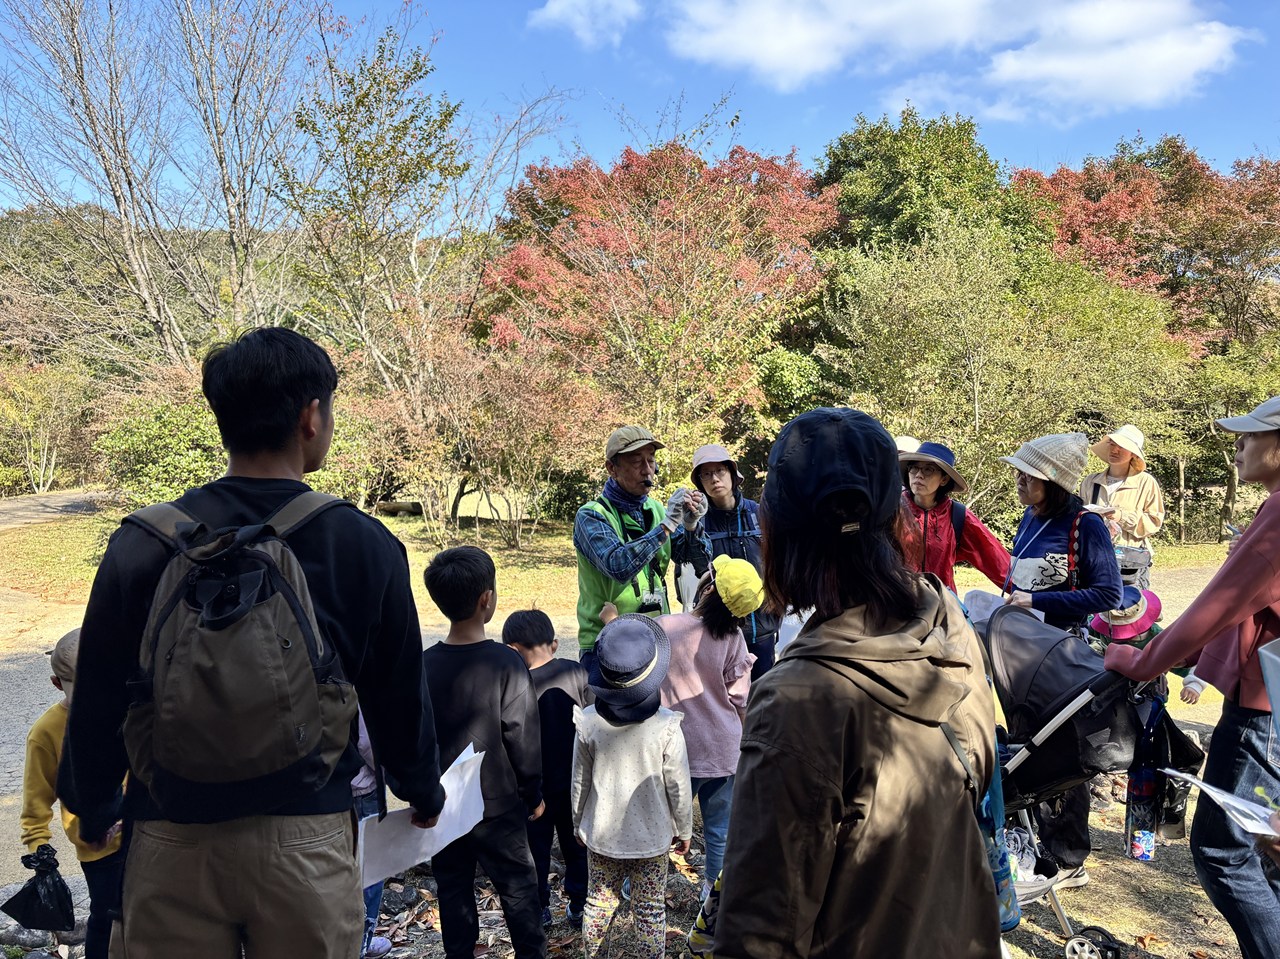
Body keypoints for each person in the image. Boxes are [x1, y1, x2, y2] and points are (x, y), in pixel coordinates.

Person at [61, 328, 446, 959]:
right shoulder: (361, 543)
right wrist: (423, 790)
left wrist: (94, 800)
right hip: (309, 835)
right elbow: (400, 696)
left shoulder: (144, 541)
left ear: (223, 418)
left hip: (169, 833)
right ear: (310, 417)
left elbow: (99, 689)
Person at [713, 407, 1000, 959]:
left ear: (776, 531)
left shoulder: (795, 701)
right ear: (897, 518)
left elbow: (759, 934)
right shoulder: (950, 626)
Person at [1104, 395, 1280, 959]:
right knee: (1269, 846)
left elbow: (1217, 606)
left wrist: (1142, 658)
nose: (1239, 447)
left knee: (1223, 850)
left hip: (1266, 713)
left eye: (1249, 437)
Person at [1001, 431, 1123, 888]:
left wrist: (1033, 602)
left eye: (1027, 474)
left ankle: (1069, 858)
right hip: (1018, 655)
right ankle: (1029, 846)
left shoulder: (1084, 525)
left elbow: (1108, 592)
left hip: (1058, 653)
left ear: (1052, 481)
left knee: (1059, 754)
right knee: (1022, 748)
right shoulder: (1027, 519)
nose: (1018, 479)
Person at [423, 547, 546, 959]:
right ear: (486, 599)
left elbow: (415, 739)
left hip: (443, 807)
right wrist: (534, 792)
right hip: (497, 806)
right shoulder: (506, 664)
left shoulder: (422, 666)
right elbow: (522, 737)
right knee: (519, 892)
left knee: (454, 891)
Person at [572, 615, 693, 959]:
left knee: (597, 902)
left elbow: (578, 780)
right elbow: (679, 786)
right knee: (651, 910)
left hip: (602, 834)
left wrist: (577, 821)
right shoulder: (668, 727)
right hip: (653, 837)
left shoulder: (590, 722)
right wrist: (683, 828)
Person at [658, 554, 762, 896]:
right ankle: (713, 889)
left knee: (661, 824)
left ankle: (641, 882)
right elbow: (740, 700)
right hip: (723, 748)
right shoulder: (734, 639)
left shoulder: (665, 628)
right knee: (719, 826)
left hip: (674, 749)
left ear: (709, 586)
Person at [20, 629, 123, 959]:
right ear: (56, 683)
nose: (96, 700)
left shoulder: (124, 711)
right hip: (99, 848)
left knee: (155, 913)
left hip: (146, 835)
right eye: (85, 691)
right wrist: (40, 850)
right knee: (106, 918)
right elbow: (36, 801)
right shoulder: (46, 733)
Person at [573, 426, 710, 670]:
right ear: (611, 468)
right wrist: (667, 525)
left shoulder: (657, 510)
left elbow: (700, 564)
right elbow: (618, 565)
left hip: (657, 637)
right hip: (605, 640)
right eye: (637, 462)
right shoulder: (591, 515)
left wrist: (691, 526)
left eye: (651, 460)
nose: (648, 470)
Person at [502, 609, 591, 930]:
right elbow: (592, 716)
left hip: (533, 791)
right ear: (553, 644)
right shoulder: (576, 671)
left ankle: (540, 907)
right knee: (577, 847)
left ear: (511, 650)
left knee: (534, 853)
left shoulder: (513, 684)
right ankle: (580, 904)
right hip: (574, 785)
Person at [686, 443, 779, 677]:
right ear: (699, 482)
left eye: (719, 471)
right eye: (706, 474)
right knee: (722, 703)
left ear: (732, 474)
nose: (714, 478)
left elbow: (778, 564)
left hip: (762, 629)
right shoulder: (697, 523)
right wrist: (691, 528)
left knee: (760, 700)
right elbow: (698, 570)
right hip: (717, 633)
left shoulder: (759, 515)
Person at [897, 441, 1011, 594]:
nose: (919, 475)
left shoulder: (958, 515)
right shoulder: (893, 510)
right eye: (914, 468)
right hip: (898, 603)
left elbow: (997, 561)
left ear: (944, 479)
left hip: (942, 607)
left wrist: (1034, 597)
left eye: (929, 470)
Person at [1079, 424, 1165, 587]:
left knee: (1128, 611)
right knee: (1094, 611)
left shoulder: (1145, 482)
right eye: (1112, 444)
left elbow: (1154, 522)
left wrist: (1121, 516)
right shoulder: (1090, 482)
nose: (1115, 450)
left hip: (1129, 564)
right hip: (1094, 561)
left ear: (1133, 453)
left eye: (1121, 446)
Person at [351, 714, 392, 959]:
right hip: (364, 787)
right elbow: (367, 744)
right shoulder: (353, 682)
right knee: (371, 868)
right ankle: (362, 943)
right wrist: (387, 771)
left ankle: (347, 940)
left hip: (330, 791)